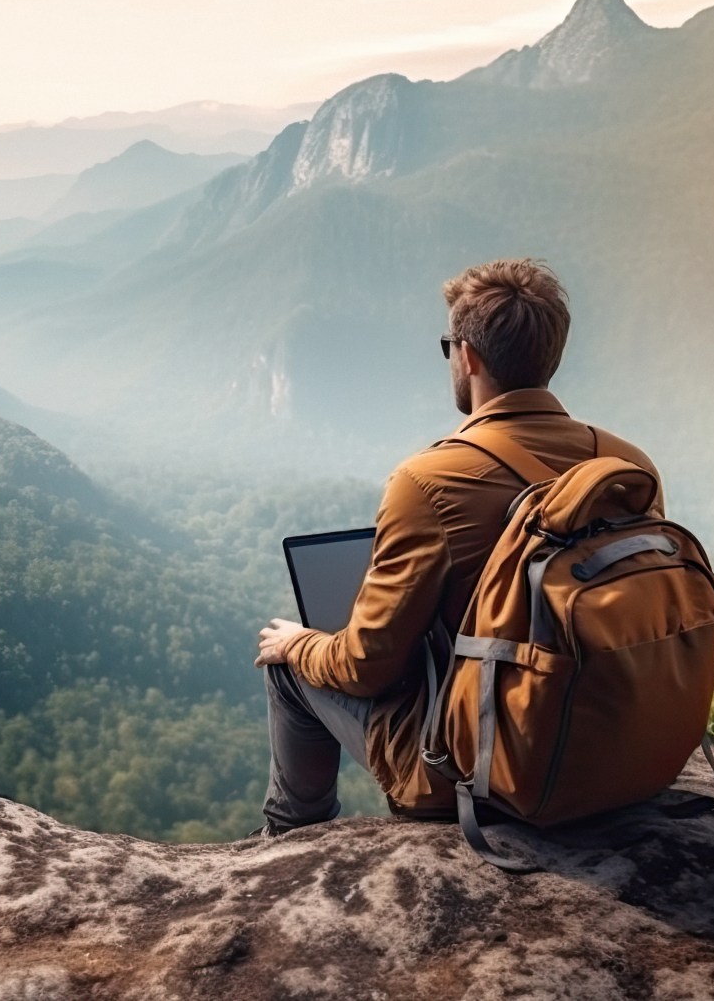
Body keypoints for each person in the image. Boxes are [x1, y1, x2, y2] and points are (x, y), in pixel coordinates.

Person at [251, 258, 660, 835]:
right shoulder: (627, 466)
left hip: (483, 770)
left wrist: (301, 645)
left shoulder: (428, 482)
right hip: (615, 748)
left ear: (467, 355)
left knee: (289, 665)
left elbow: (367, 666)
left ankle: (288, 839)